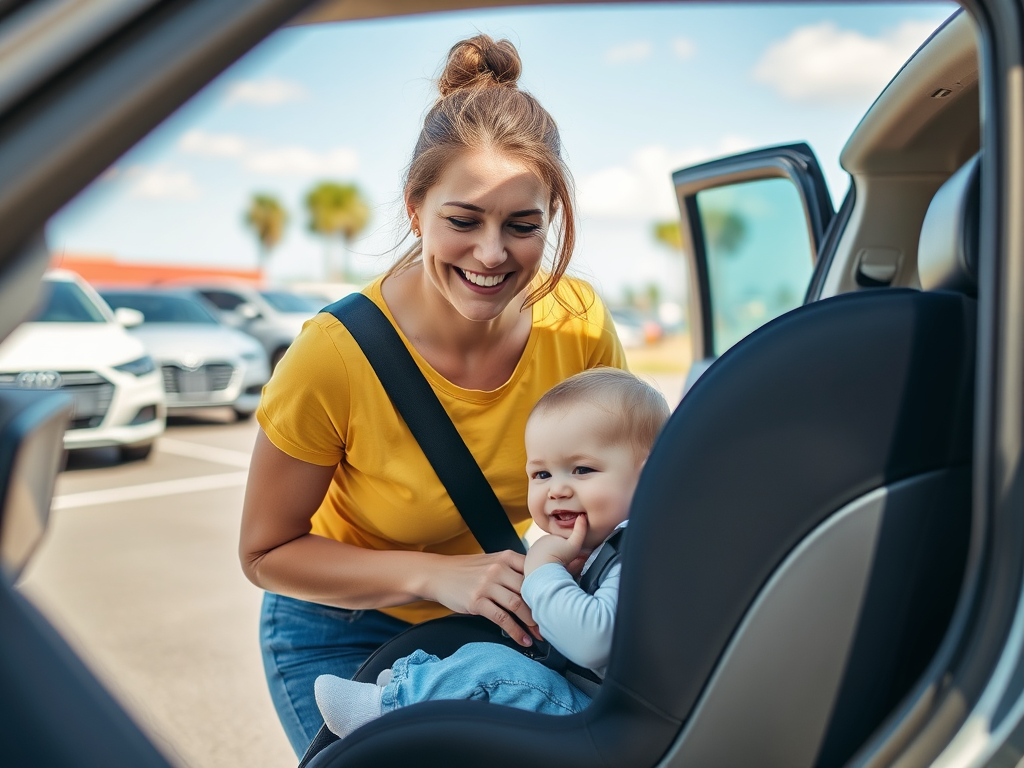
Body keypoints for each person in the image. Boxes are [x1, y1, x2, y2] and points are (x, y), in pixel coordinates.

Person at [238, 34, 627, 756]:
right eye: (463, 220)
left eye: (522, 226)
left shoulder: (578, 326)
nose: (491, 254)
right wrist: (437, 575)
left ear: (552, 217)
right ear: (416, 209)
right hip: (345, 631)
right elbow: (265, 552)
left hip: (506, 615)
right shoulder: (333, 355)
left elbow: (625, 484)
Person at [312, 368, 671, 737]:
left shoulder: (638, 552)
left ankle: (386, 709)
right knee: (483, 657)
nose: (556, 490)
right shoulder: (611, 549)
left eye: (582, 469)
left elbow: (591, 642)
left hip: (613, 724)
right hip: (603, 707)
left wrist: (543, 567)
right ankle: (416, 690)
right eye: (541, 475)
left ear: (651, 475)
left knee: (495, 669)